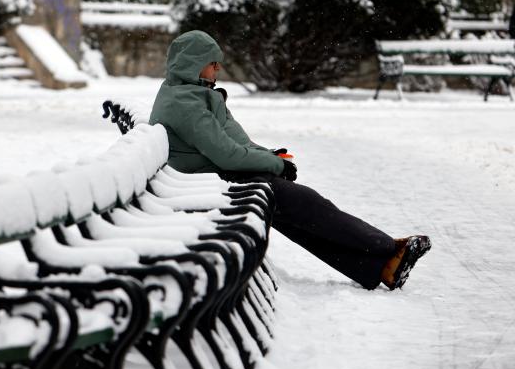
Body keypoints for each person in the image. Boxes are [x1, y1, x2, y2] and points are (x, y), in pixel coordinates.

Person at [149, 30, 431, 291]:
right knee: (306, 205)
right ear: (193, 64)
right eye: (212, 62)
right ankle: (387, 249)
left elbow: (238, 144)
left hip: (215, 176)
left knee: (298, 215)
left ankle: (379, 266)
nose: (218, 68)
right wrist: (274, 165)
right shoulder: (184, 103)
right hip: (209, 181)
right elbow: (227, 154)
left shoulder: (195, 94)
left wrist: (270, 157)